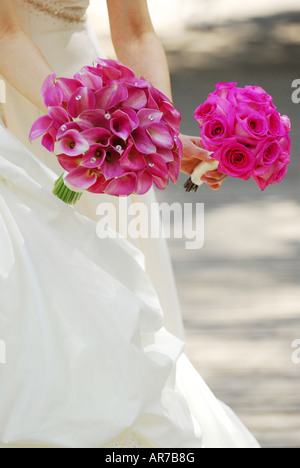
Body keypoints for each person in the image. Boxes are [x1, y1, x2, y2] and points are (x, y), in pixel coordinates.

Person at [0, 0, 257, 448]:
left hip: (108, 112)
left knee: (126, 302)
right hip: (28, 97)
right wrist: (71, 118)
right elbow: (4, 33)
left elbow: (136, 31)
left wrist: (160, 136)